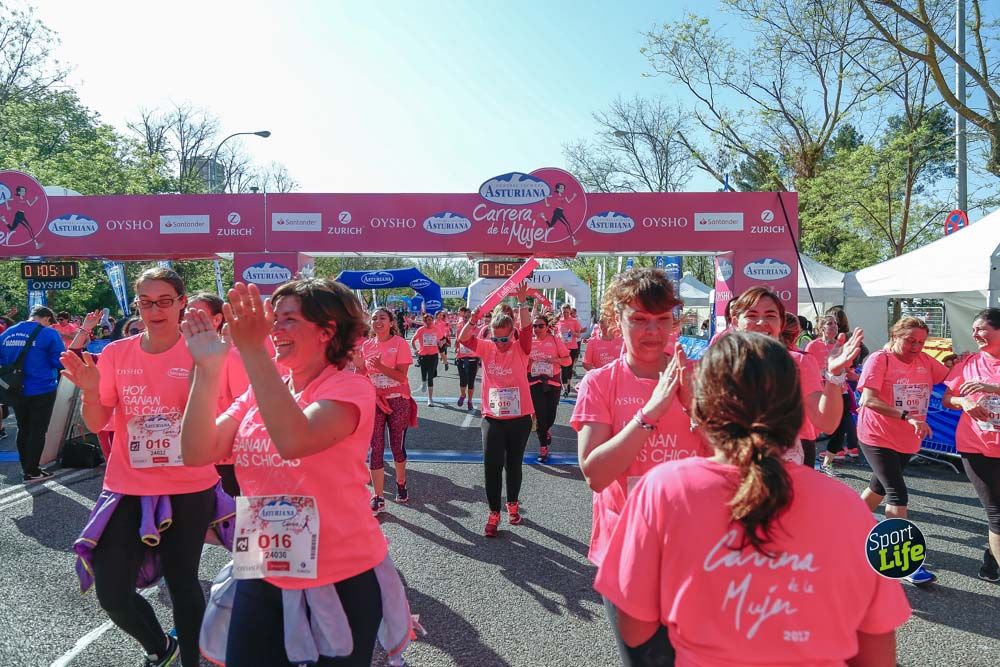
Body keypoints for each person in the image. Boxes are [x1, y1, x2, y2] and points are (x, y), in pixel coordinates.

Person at [594, 332, 911, 666]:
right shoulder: (848, 506)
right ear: (794, 412)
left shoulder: (664, 490)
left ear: (702, 409)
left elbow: (635, 628)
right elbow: (876, 651)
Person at [179, 280, 414, 667]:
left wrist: (253, 350)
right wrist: (207, 370)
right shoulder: (263, 388)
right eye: (275, 320)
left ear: (328, 330)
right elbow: (197, 451)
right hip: (262, 564)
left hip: (341, 573)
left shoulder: (349, 387)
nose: (274, 330)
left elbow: (294, 439)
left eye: (288, 319)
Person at [60, 267, 223, 667]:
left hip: (188, 483)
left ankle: (190, 662)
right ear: (136, 305)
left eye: (165, 300)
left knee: (183, 581)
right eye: (146, 302)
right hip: (128, 485)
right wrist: (90, 391)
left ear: (182, 302)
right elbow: (98, 422)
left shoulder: (203, 351)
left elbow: (223, 415)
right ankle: (159, 647)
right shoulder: (117, 353)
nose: (155, 309)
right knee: (112, 592)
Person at [572, 268, 711, 666]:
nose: (652, 332)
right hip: (627, 551)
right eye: (639, 320)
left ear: (675, 322)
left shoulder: (696, 377)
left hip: (694, 550)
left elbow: (730, 462)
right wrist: (649, 416)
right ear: (618, 320)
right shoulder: (601, 383)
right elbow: (595, 474)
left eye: (661, 321)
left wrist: (694, 407)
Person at [857, 316, 950, 586]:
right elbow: (868, 399)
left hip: (908, 439)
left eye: (921, 342)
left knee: (879, 488)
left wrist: (964, 363)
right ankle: (901, 562)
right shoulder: (879, 359)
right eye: (910, 340)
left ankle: (847, 526)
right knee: (897, 492)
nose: (916, 347)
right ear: (895, 335)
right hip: (877, 435)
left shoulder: (924, 361)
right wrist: (905, 415)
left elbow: (952, 376)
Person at [730, 287, 863, 470]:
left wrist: (835, 374)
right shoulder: (721, 363)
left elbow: (826, 423)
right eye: (752, 315)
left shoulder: (797, 363)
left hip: (787, 466)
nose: (761, 322)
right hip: (735, 464)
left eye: (770, 315)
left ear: (781, 322)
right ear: (736, 321)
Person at [457, 285, 534, 537]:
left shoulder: (521, 348)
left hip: (519, 417)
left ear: (511, 334)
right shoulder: (487, 348)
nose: (501, 344)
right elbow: (463, 339)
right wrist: (474, 318)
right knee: (491, 465)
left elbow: (526, 330)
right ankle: (493, 512)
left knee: (513, 465)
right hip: (492, 417)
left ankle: (512, 504)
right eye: (496, 338)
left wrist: (522, 302)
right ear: (491, 336)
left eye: (505, 338)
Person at [942, 308, 1000, 582]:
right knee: (996, 511)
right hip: (976, 445)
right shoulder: (968, 363)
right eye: (974, 329)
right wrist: (963, 402)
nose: (974, 334)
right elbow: (947, 399)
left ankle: (990, 564)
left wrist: (994, 389)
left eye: (981, 329)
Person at [187, 292, 253, 498]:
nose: (190, 321)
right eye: (187, 315)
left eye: (197, 315)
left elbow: (246, 410)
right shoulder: (179, 353)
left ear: (217, 319)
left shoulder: (231, 356)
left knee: (226, 523)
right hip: (187, 455)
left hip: (224, 459)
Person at [0, 306, 65, 481]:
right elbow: (59, 361)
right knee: (37, 430)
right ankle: (32, 470)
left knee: (23, 429)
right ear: (46, 319)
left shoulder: (7, 333)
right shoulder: (48, 334)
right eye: (50, 323)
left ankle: (26, 467)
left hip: (15, 389)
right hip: (41, 388)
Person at [361, 308, 414, 514]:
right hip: (374, 401)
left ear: (391, 322)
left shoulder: (400, 344)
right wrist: (359, 369)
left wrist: (381, 367)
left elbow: (402, 377)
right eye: (374, 318)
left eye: (382, 318)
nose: (377, 321)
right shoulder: (366, 345)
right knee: (375, 448)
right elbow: (362, 374)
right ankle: (379, 496)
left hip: (398, 400)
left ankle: (401, 484)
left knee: (396, 446)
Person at [807, 314, 862, 474]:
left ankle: (827, 463)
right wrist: (824, 372)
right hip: (820, 392)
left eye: (835, 324)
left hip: (841, 391)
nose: (834, 327)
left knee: (841, 427)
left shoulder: (840, 345)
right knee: (813, 427)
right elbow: (809, 368)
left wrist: (858, 377)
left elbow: (847, 369)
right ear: (822, 327)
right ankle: (807, 459)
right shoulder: (813, 346)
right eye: (829, 324)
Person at [528, 311, 570, 463]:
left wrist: (556, 360)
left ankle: (547, 431)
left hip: (552, 382)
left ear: (547, 327)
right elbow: (521, 363)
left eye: (540, 326)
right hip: (535, 382)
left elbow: (568, 361)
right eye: (534, 326)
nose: (537, 328)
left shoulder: (555, 340)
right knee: (540, 414)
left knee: (550, 414)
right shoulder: (529, 342)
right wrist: (529, 363)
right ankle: (543, 447)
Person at [411, 313, 441, 406]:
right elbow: (413, 340)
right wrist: (416, 350)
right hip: (423, 356)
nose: (429, 322)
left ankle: (430, 399)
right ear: (424, 321)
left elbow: (441, 339)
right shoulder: (421, 330)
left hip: (434, 356)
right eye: (427, 320)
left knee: (430, 377)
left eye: (430, 320)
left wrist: (440, 343)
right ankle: (423, 382)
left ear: (433, 320)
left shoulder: (436, 329)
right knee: (424, 374)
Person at [455, 307, 480, 411]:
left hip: (473, 359)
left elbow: (479, 343)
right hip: (462, 358)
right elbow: (457, 341)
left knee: (471, 381)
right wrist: (456, 349)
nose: (465, 319)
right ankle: (462, 395)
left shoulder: (477, 329)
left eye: (468, 317)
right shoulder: (459, 327)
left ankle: (469, 401)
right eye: (464, 317)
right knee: (462, 380)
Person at [556, 304, 584, 397]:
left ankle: (568, 383)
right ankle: (565, 388)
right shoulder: (558, 321)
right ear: (561, 312)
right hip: (562, 348)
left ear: (570, 312)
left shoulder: (574, 321)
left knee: (569, 368)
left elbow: (579, 335)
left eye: (567, 312)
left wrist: (573, 333)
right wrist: (559, 335)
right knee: (563, 368)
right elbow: (554, 333)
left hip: (572, 347)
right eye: (564, 312)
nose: (565, 314)